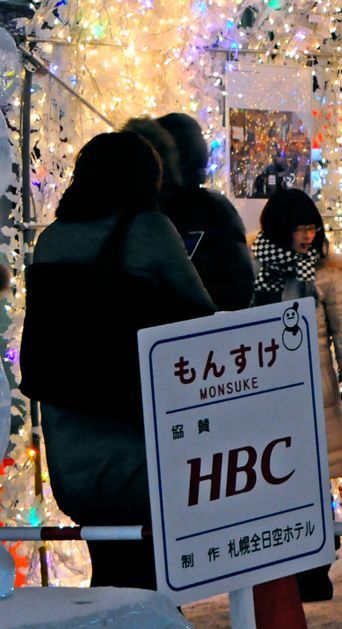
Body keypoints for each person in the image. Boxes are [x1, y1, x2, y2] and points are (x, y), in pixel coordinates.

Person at [19, 132, 215, 588]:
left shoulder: (52, 241)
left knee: (110, 563)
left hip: (71, 436)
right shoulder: (147, 231)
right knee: (147, 571)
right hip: (135, 430)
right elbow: (200, 314)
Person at [253, 189, 342, 601]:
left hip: (312, 394)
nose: (307, 236)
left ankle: (316, 568)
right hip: (267, 395)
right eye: (299, 228)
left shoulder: (326, 275)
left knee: (310, 481)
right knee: (274, 482)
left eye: (312, 228)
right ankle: (283, 569)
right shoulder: (256, 271)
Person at [155, 113, 255, 310]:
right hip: (195, 331)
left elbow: (237, 288)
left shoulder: (213, 209)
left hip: (191, 332)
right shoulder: (215, 208)